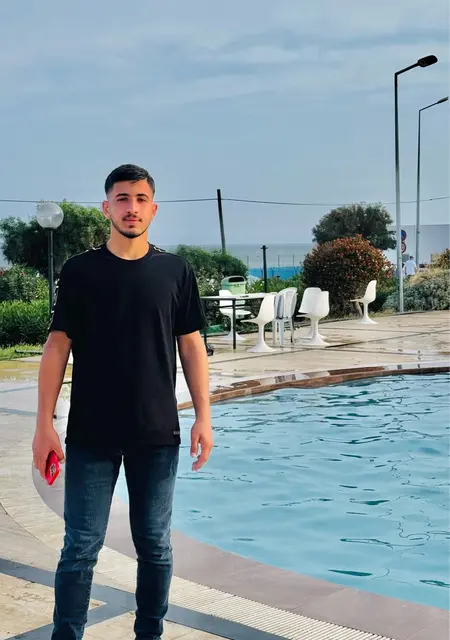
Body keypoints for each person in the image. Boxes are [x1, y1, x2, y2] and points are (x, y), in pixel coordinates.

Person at [32, 164, 213, 639]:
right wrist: (43, 424)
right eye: (122, 199)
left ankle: (148, 634)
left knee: (154, 545)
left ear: (153, 208)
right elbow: (57, 346)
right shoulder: (80, 271)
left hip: (156, 433)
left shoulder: (175, 271)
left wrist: (203, 417)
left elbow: (191, 345)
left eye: (140, 199)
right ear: (106, 208)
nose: (132, 208)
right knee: (80, 547)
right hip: (91, 433)